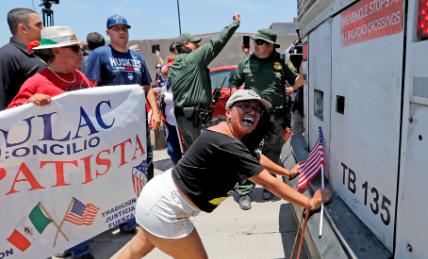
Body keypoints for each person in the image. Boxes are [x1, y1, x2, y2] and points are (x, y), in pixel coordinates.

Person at [117, 89, 331, 259]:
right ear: (228, 112)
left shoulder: (229, 136)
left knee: (132, 254)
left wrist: (286, 171)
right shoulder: (226, 143)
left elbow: (255, 157)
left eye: (256, 109)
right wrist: (309, 202)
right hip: (167, 209)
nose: (252, 112)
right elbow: (270, 184)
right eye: (244, 106)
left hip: (158, 199)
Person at [8, 26, 95, 259]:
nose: (81, 53)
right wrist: (29, 105)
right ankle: (72, 251)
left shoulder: (81, 78)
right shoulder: (36, 82)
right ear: (57, 51)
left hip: (80, 160)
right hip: (50, 167)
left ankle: (79, 248)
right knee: (55, 210)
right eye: (75, 48)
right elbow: (10, 121)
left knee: (78, 205)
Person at [84, 14, 159, 234]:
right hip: (111, 127)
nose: (121, 31)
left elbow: (147, 88)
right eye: (115, 28)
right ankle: (121, 217)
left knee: (143, 167)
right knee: (116, 172)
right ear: (108, 32)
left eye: (124, 27)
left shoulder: (137, 58)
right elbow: (90, 87)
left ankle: (142, 210)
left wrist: (155, 111)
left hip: (136, 125)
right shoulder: (100, 54)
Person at [229, 28, 305, 210]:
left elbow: (298, 79)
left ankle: (269, 188)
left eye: (261, 42)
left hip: (275, 117)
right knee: (247, 153)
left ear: (271, 46)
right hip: (251, 115)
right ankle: (245, 191)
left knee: (272, 152)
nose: (257, 45)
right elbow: (234, 83)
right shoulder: (246, 61)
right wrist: (234, 106)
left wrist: (294, 86)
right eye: (256, 41)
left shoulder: (281, 61)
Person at [169, 13, 240, 151]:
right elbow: (216, 43)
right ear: (187, 45)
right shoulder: (194, 59)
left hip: (183, 121)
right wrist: (234, 23)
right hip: (197, 121)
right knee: (208, 157)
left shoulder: (173, 67)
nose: (197, 46)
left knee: (194, 159)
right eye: (195, 43)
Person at [0, 8, 45, 110]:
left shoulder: (41, 52)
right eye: (38, 25)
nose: (43, 28)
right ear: (23, 28)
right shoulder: (6, 56)